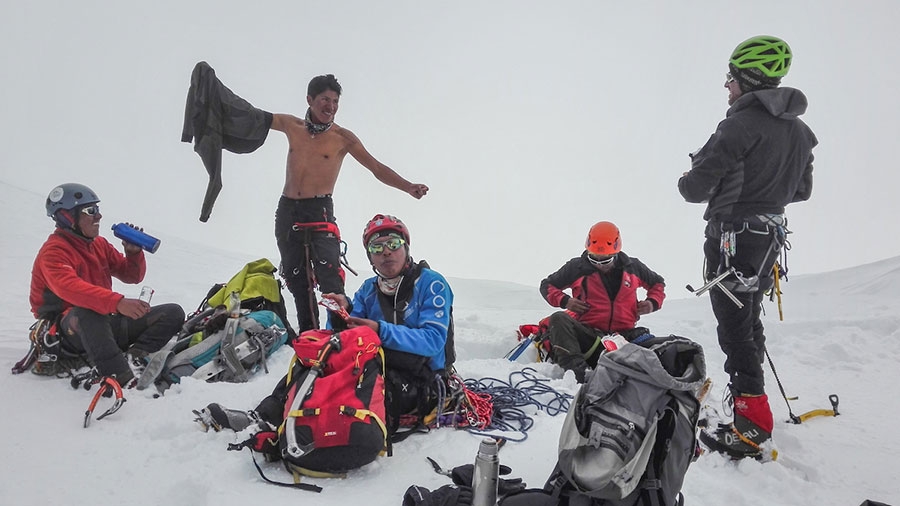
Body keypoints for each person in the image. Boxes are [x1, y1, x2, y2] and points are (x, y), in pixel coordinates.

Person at [678, 35, 817, 459]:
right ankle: (752, 412)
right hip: (768, 240)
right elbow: (803, 190)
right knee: (747, 320)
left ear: (747, 79)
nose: (727, 87)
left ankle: (751, 426)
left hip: (732, 238)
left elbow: (692, 188)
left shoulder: (737, 126)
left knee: (735, 328)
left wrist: (708, 172)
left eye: (731, 78)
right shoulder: (800, 132)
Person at [196, 214, 454, 436]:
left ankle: (299, 423)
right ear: (370, 257)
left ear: (406, 248)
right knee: (320, 351)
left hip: (423, 380)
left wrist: (378, 330)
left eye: (393, 244)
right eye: (377, 247)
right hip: (383, 366)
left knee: (356, 375)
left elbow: (432, 341)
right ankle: (268, 414)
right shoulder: (368, 290)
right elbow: (344, 335)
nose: (386, 251)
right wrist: (342, 312)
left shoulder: (430, 283)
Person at [271, 75, 430, 334]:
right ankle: (309, 337)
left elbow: (376, 167)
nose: (331, 106)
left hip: (319, 209)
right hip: (288, 210)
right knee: (297, 278)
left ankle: (342, 336)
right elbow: (254, 119)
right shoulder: (291, 125)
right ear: (310, 100)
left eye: (335, 101)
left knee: (330, 278)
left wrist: (408, 186)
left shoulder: (342, 137)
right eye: (325, 99)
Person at [29, 183, 185, 386]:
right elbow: (70, 288)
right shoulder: (54, 251)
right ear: (67, 217)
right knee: (87, 311)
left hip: (102, 323)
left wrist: (133, 253)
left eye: (98, 210)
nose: (99, 216)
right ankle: (120, 378)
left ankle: (133, 357)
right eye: (90, 211)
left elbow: (131, 276)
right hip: (67, 332)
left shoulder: (98, 244)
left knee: (173, 312)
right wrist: (118, 303)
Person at [539, 221, 666, 382]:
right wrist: (566, 301)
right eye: (594, 259)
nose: (599, 264)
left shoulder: (633, 267)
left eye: (605, 260)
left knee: (661, 347)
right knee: (558, 319)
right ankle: (579, 375)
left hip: (623, 339)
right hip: (590, 338)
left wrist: (652, 303)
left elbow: (657, 283)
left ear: (616, 253)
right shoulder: (577, 267)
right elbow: (547, 285)